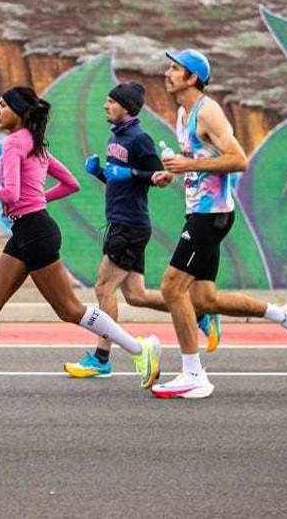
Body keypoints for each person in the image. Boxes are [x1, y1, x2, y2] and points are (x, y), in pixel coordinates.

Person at [0, 86, 157, 404]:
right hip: (29, 229)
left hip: (35, 233)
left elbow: (10, 195)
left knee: (69, 309)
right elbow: (71, 183)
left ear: (19, 112)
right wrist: (37, 202)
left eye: (3, 105)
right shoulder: (36, 143)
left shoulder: (13, 144)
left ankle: (139, 349)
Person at [148, 50, 287, 400]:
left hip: (212, 215)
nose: (167, 73)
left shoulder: (207, 111)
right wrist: (173, 172)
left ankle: (193, 374)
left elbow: (238, 160)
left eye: (175, 69)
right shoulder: (182, 113)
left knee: (171, 289)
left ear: (193, 78)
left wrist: (188, 167)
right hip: (201, 212)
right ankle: (285, 315)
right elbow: (200, 160)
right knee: (204, 299)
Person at [63, 82, 166, 383]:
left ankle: (101, 359)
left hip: (129, 225)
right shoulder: (116, 139)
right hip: (123, 222)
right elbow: (118, 183)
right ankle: (195, 310)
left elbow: (160, 176)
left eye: (111, 102)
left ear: (127, 107)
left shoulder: (140, 139)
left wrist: (131, 172)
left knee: (102, 289)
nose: (105, 106)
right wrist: (99, 173)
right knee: (136, 295)